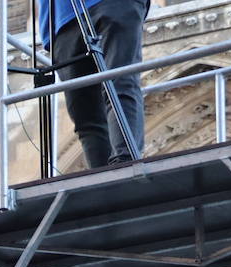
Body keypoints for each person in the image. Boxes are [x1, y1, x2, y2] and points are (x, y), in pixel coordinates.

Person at [38, 0, 149, 169]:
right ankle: (102, 178)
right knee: (85, 115)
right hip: (61, 20)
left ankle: (127, 164)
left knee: (119, 84)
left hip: (105, 7)